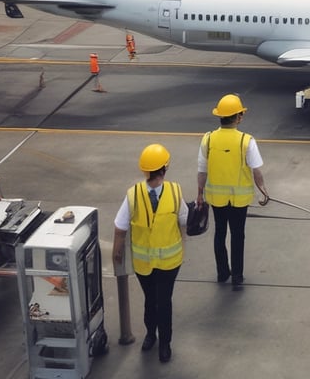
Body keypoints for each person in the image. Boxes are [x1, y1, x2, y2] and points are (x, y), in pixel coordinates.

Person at [112, 144, 188, 363]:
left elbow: (120, 228)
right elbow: (185, 219)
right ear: (165, 168)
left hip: (154, 263)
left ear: (144, 171)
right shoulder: (175, 192)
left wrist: (117, 253)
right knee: (157, 300)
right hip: (163, 262)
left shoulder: (132, 194)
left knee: (158, 300)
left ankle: (157, 339)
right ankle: (158, 340)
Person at [197, 94, 269, 290]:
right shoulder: (246, 141)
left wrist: (199, 194)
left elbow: (202, 171)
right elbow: (256, 171)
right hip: (239, 200)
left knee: (219, 232)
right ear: (237, 117)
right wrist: (263, 191)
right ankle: (237, 275)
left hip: (216, 198)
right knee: (238, 235)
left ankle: (222, 272)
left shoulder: (208, 139)